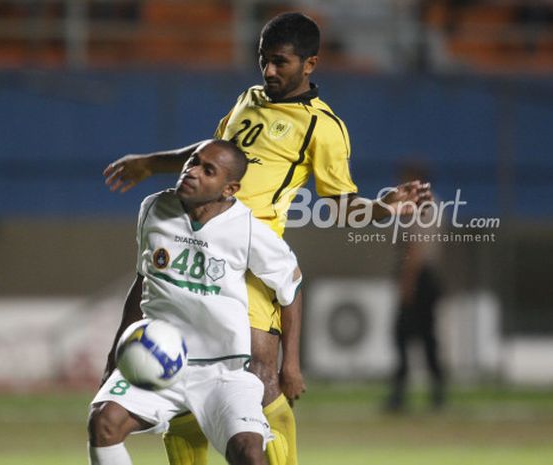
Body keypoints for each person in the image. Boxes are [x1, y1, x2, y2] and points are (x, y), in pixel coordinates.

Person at [103, 12, 432, 465]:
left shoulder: (322, 127)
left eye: (280, 62)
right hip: (193, 244)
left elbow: (339, 205)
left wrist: (384, 207)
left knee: (261, 378)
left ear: (310, 64)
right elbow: (207, 156)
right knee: (180, 372)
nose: (269, 71)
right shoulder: (248, 99)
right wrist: (150, 162)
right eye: (264, 61)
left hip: (250, 258)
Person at [89, 139, 303, 465]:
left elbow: (291, 289)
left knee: (248, 452)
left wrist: (290, 365)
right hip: (158, 360)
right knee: (103, 424)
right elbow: (143, 281)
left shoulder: (248, 231)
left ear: (229, 188)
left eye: (208, 170)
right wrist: (116, 352)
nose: (191, 172)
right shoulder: (154, 208)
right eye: (192, 161)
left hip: (224, 370)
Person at [385, 162, 445, 413]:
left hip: (419, 279)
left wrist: (406, 285)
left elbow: (415, 249)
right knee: (427, 337)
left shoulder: (419, 206)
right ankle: (437, 393)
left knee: (403, 336)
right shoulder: (434, 203)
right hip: (427, 279)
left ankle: (400, 395)